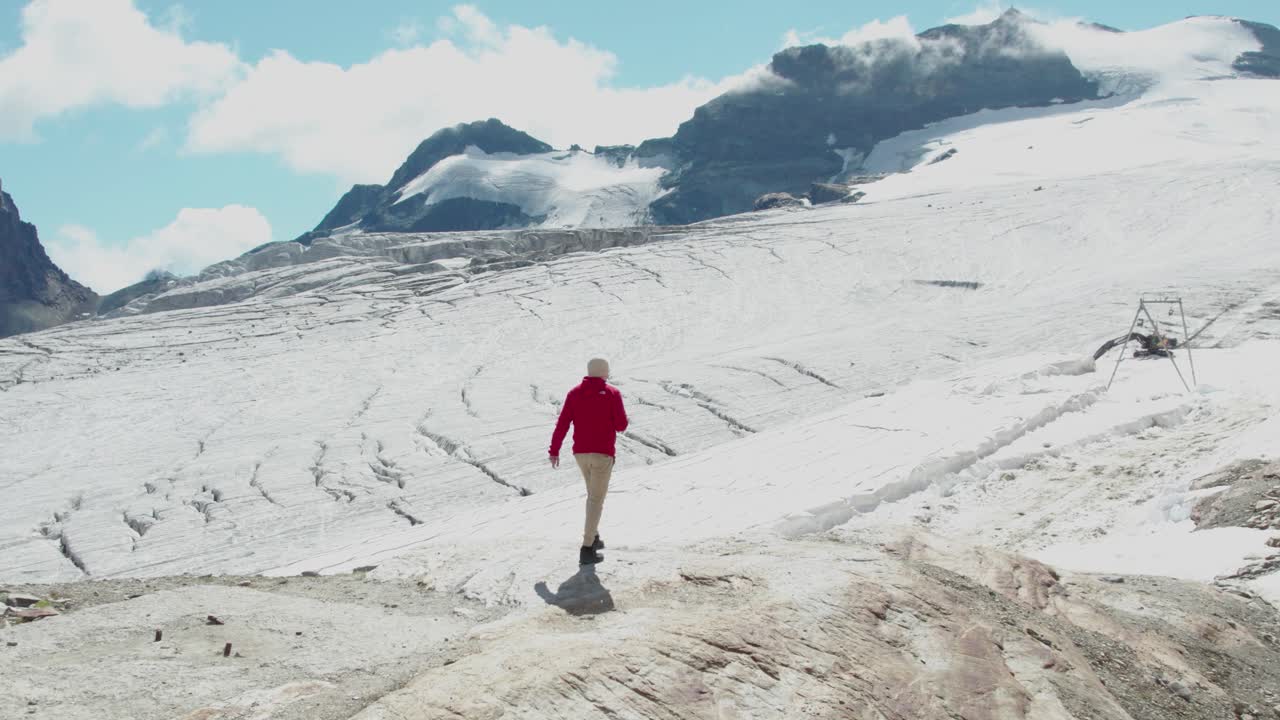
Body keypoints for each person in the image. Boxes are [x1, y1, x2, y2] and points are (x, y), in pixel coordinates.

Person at [549, 358, 629, 565]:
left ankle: (594, 538)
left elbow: (563, 423)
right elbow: (621, 425)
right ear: (605, 372)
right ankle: (587, 549)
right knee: (596, 500)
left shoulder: (574, 393)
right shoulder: (612, 393)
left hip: (581, 454)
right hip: (602, 454)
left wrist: (554, 450)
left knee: (592, 496)